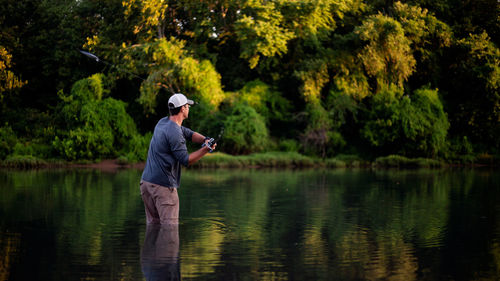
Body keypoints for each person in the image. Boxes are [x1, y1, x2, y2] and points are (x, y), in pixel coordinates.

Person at [140, 93, 216, 225]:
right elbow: (185, 160)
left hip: (146, 184)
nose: (189, 108)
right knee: (170, 233)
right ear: (183, 109)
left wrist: (205, 140)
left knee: (154, 227)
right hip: (163, 188)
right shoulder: (174, 132)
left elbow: (189, 133)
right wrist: (206, 149)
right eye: (188, 106)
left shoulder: (163, 122)